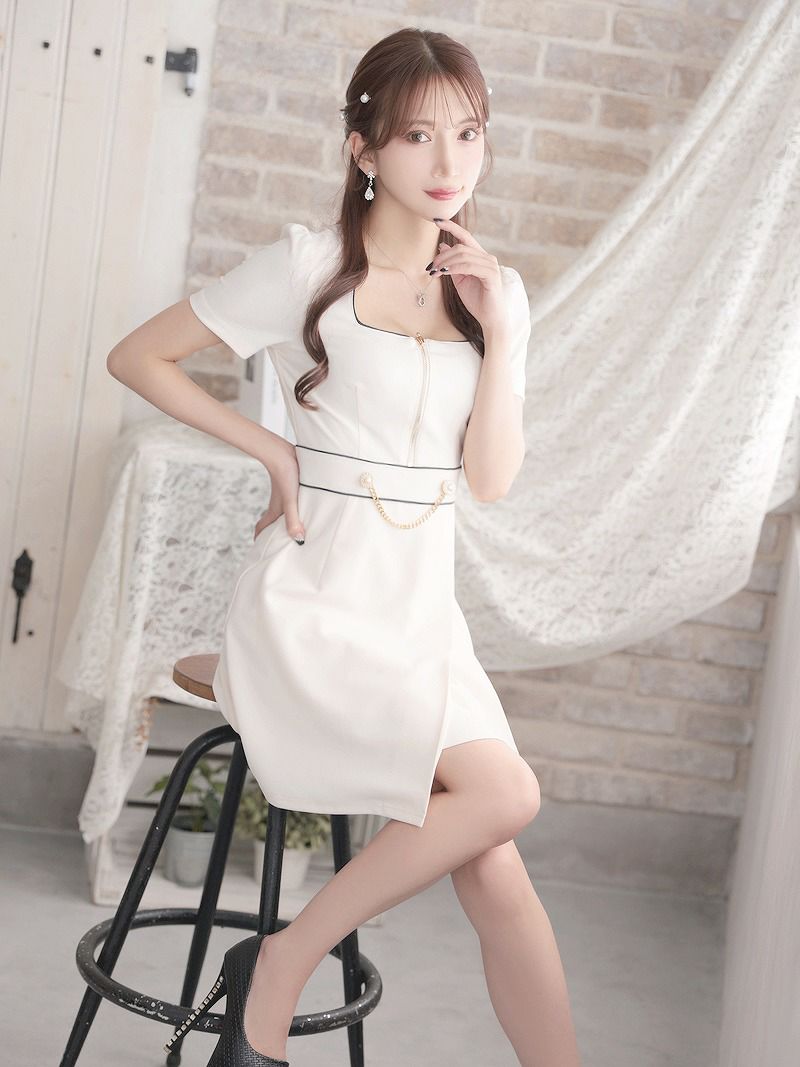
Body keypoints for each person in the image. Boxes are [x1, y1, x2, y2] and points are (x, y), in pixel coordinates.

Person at [106, 26, 581, 1067]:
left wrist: (503, 335)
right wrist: (272, 447)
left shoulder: (492, 294)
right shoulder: (309, 264)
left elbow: (490, 479)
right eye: (418, 136)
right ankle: (282, 964)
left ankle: (283, 960)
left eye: (468, 133)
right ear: (364, 148)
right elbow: (138, 357)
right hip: (317, 600)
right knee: (504, 796)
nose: (450, 163)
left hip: (419, 615)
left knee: (493, 856)